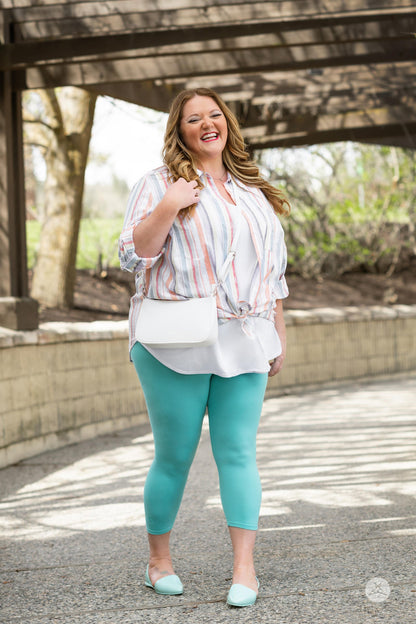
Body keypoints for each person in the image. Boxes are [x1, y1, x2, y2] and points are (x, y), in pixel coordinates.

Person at [119, 87, 290, 608]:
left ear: (227, 124)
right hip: (175, 340)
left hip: (246, 336)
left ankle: (244, 570)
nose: (207, 124)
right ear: (179, 130)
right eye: (194, 119)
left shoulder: (252, 189)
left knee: (238, 453)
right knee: (174, 457)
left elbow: (273, 274)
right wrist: (171, 204)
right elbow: (134, 254)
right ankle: (158, 562)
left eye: (215, 115)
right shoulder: (158, 183)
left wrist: (277, 332)